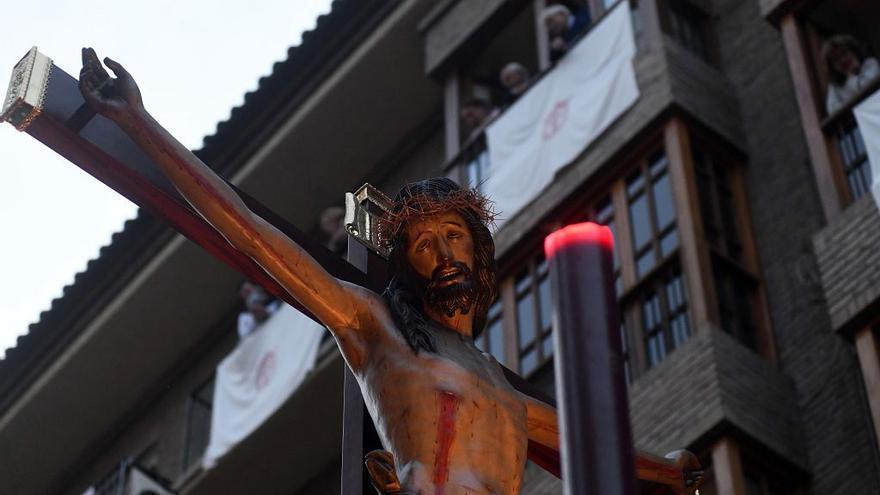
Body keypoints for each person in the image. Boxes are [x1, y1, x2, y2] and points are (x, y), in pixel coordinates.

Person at [79, 48, 698, 494]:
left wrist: (669, 468)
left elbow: (589, 442)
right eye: (424, 245)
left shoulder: (504, 391)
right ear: (407, 265)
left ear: (478, 250)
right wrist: (139, 124)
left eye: (453, 236)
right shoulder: (372, 325)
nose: (443, 253)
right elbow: (247, 231)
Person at [822, 34, 880, 114]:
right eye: (836, 59)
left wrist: (853, 75)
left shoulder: (870, 64)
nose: (843, 60)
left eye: (844, 53)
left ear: (854, 51)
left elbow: (868, 88)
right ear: (832, 67)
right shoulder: (835, 86)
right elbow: (833, 110)